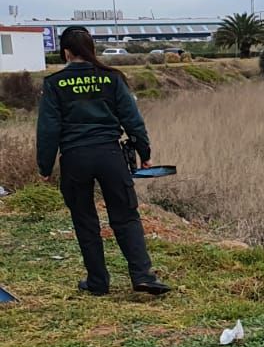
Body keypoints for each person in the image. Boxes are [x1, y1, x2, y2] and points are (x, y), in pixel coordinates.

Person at [35, 26, 169, 296]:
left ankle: (97, 282)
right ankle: (143, 275)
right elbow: (132, 119)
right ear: (91, 49)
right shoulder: (112, 78)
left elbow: (49, 129)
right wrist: (144, 152)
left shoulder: (54, 83)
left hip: (75, 158)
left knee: (85, 219)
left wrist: (45, 167)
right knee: (126, 216)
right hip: (110, 155)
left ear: (66, 52)